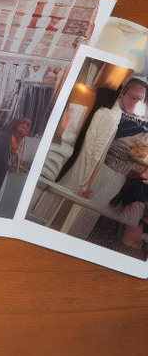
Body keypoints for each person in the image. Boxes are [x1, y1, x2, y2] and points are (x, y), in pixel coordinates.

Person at [59, 76, 148, 246]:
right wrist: (88, 182)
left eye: (140, 99)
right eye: (133, 97)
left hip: (120, 179)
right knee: (76, 216)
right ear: (123, 94)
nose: (136, 102)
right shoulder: (109, 115)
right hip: (99, 171)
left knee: (88, 221)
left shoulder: (140, 124)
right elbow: (95, 152)